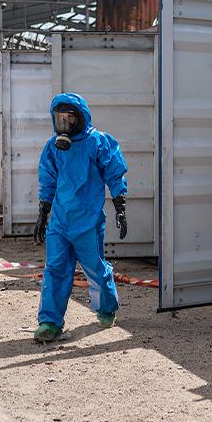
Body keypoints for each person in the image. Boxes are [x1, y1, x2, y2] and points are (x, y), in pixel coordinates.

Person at [33, 92, 128, 342]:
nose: (64, 123)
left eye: (69, 118)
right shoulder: (53, 147)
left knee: (95, 268)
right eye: (59, 118)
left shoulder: (98, 142)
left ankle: (106, 308)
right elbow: (47, 179)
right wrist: (43, 212)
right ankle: (49, 322)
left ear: (81, 118)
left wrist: (120, 203)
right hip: (60, 222)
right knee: (55, 269)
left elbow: (114, 172)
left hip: (88, 219)